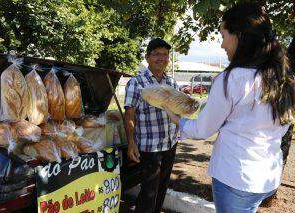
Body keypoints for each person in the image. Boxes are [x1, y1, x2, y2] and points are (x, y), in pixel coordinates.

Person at [164, 3, 295, 213]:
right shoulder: (283, 78)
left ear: (240, 36)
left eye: (224, 36)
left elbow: (203, 129)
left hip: (236, 177)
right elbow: (283, 125)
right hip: (266, 178)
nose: (222, 45)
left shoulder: (233, 79)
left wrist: (178, 119)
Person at [124, 38, 179, 213]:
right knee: (149, 191)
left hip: (170, 143)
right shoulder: (137, 82)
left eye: (165, 54)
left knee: (162, 187)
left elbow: (176, 110)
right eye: (156, 54)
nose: (161, 58)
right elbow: (129, 113)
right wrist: (131, 142)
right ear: (147, 57)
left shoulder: (171, 83)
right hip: (149, 146)